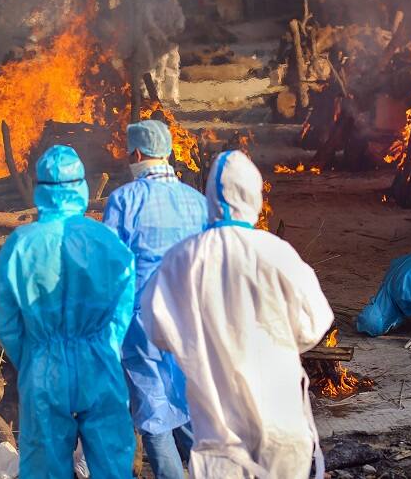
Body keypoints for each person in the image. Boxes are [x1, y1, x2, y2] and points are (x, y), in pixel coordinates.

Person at [140, 150, 334, 479]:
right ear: (255, 196)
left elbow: (158, 330)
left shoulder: (183, 258)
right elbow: (313, 325)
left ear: (210, 198)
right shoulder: (277, 252)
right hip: (281, 422)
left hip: (219, 432)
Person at [0, 145, 136, 478]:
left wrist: (33, 357)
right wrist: (106, 346)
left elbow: (7, 321)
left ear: (39, 188)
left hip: (44, 367)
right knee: (111, 463)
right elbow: (123, 306)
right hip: (99, 363)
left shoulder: (20, 243)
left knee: (44, 466)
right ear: (82, 186)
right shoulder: (107, 240)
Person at [104, 120, 207, 479]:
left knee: (153, 412)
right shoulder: (198, 202)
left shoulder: (124, 200)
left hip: (141, 323)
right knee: (189, 403)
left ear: (136, 154)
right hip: (189, 320)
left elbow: (111, 266)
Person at [152, 0, 185, 106]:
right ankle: (156, 98)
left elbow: (180, 21)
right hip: (159, 42)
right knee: (158, 71)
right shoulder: (154, 6)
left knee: (172, 69)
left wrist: (177, 31)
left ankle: (171, 97)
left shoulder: (174, 6)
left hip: (171, 42)